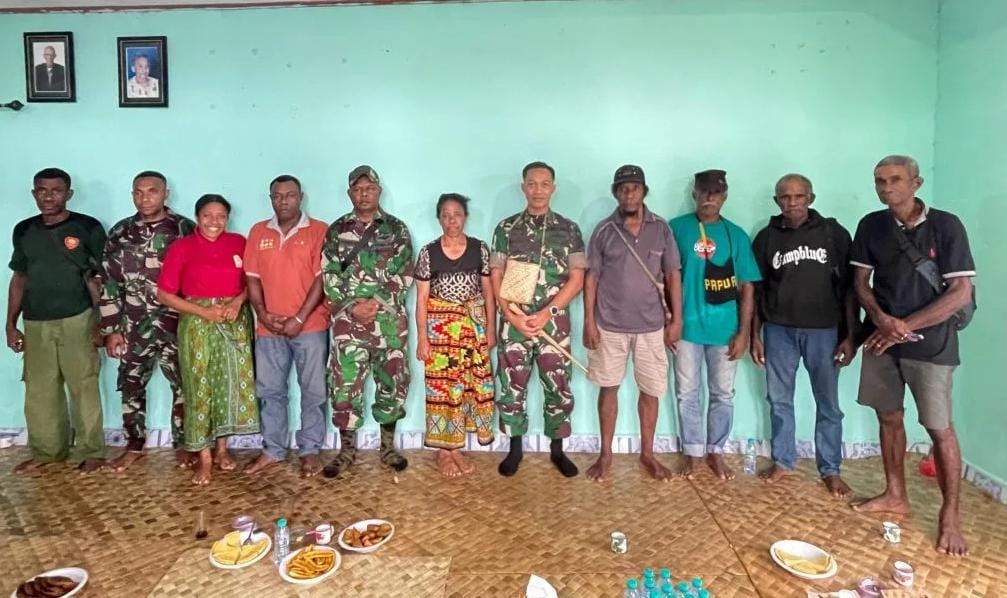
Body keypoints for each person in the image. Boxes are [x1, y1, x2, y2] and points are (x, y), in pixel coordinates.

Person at [850, 155, 975, 557]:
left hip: (932, 343)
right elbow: (861, 282)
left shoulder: (946, 226)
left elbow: (960, 293)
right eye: (879, 181)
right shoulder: (872, 225)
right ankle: (895, 494)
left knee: (939, 428)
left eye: (895, 179)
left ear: (916, 183)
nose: (886, 187)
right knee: (888, 416)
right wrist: (881, 319)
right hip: (882, 339)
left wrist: (905, 325)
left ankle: (950, 516)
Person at [750, 173, 858, 497]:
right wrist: (755, 335)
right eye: (785, 197)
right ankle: (783, 461)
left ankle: (831, 469)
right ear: (776, 201)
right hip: (778, 331)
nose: (792, 203)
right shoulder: (766, 238)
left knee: (828, 403)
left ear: (811, 198)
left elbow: (851, 289)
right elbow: (756, 291)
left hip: (824, 332)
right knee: (779, 400)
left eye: (799, 196)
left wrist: (851, 336)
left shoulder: (834, 235)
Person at [584, 165, 682, 482]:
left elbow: (673, 275)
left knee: (651, 391)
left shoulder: (661, 229)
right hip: (609, 324)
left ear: (644, 191)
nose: (629, 194)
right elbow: (591, 277)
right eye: (623, 188)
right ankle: (605, 454)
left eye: (635, 188)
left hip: (652, 326)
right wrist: (588, 322)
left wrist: (677, 320)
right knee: (608, 388)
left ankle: (648, 454)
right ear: (616, 193)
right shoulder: (603, 230)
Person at [6, 168, 106, 474]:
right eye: (42, 190)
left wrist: (101, 322)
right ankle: (48, 452)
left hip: (78, 318)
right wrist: (10, 324)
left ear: (69, 194)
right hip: (36, 321)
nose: (48, 197)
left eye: (56, 190)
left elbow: (100, 278)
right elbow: (19, 278)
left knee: (83, 386)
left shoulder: (87, 227)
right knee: (39, 391)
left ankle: (91, 451)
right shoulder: (24, 230)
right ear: (34, 193)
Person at [491, 161, 586, 478]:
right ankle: (514, 449)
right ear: (523, 187)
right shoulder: (506, 229)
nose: (538, 190)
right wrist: (510, 315)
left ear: (553, 188)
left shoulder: (569, 229)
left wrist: (548, 312)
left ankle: (558, 451)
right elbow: (496, 274)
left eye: (544, 184)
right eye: (532, 184)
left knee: (558, 387)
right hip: (515, 322)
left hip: (553, 324)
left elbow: (577, 278)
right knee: (511, 387)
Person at [156, 194, 259, 485]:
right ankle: (204, 457)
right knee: (199, 387)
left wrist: (237, 302)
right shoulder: (182, 247)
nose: (214, 221)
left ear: (227, 218)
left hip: (233, 322)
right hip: (197, 324)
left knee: (228, 385)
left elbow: (252, 283)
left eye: (221, 216)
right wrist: (204, 312)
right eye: (207, 215)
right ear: (197, 218)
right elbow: (164, 294)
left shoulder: (238, 243)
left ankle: (222, 449)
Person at [321, 166, 414, 478]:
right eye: (358, 189)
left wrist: (376, 304)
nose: (364, 194)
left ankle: (387, 448)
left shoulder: (397, 229)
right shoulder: (336, 231)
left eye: (369, 188)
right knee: (344, 387)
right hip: (349, 324)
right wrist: (353, 307)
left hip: (389, 323)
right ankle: (346, 451)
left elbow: (405, 272)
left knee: (392, 383)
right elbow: (329, 274)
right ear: (350, 193)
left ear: (379, 191)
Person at [99, 171, 195, 472]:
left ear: (166, 194)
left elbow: (197, 277)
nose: (145, 198)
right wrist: (111, 329)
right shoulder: (120, 232)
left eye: (152, 191)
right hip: (133, 324)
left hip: (176, 323)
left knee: (184, 385)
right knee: (130, 385)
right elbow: (109, 282)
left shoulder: (185, 229)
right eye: (138, 192)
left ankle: (185, 444)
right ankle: (134, 444)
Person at [669, 170, 761, 480]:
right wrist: (670, 321)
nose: (710, 197)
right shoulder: (676, 229)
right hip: (687, 329)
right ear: (694, 194)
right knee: (687, 393)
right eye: (704, 191)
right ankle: (693, 451)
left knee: (723, 394)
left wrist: (744, 333)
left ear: (725, 196)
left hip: (725, 330)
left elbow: (747, 287)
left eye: (716, 193)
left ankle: (716, 451)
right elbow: (664, 278)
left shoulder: (736, 235)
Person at [243, 175, 329, 478]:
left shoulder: (319, 230)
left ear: (300, 197)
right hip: (269, 328)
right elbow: (252, 278)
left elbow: (322, 279)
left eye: (290, 195)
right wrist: (263, 315)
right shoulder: (258, 232)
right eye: (277, 196)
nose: (283, 201)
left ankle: (310, 450)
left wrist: (299, 318)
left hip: (310, 326)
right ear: (271, 199)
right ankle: (273, 450)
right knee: (270, 391)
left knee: (314, 391)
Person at [415, 193, 496, 477]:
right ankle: (443, 451)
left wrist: (491, 330)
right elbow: (422, 298)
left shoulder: (479, 249)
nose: (452, 220)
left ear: (465, 218)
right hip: (440, 334)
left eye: (457, 214)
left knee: (467, 387)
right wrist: (422, 338)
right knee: (442, 390)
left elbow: (488, 292)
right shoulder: (428, 252)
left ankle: (456, 447)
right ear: (439, 219)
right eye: (446, 215)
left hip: (472, 332)